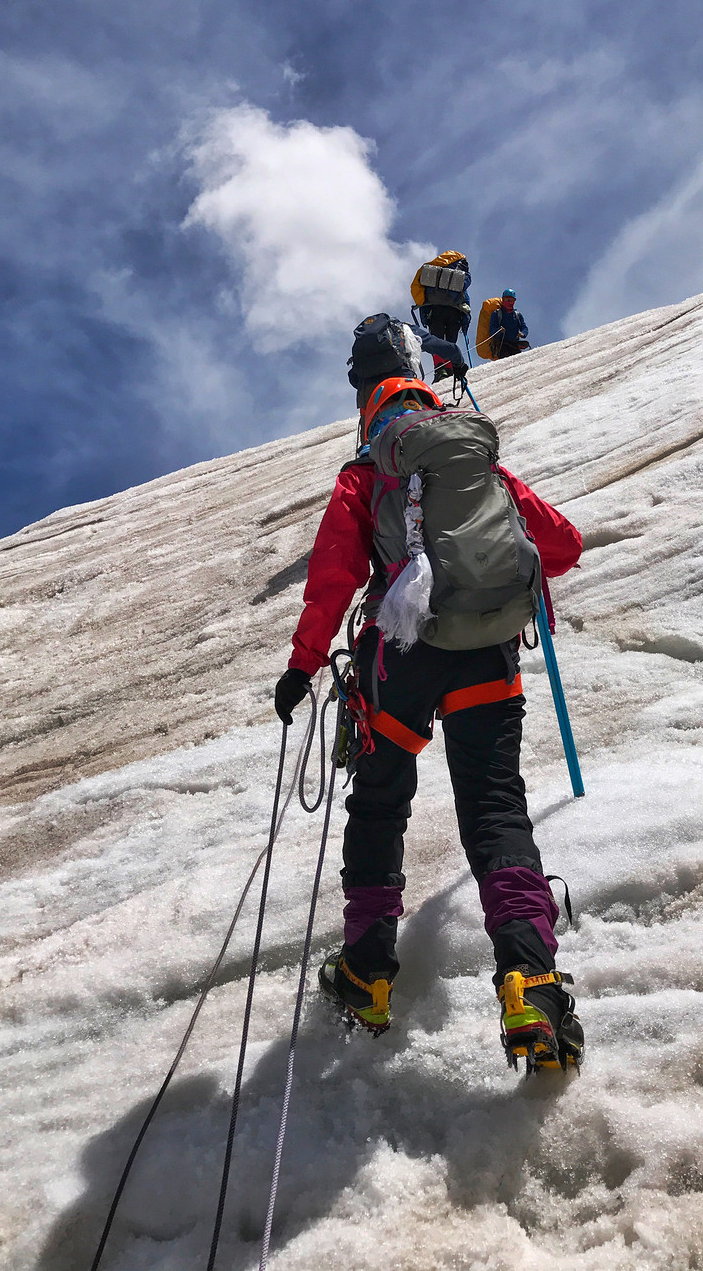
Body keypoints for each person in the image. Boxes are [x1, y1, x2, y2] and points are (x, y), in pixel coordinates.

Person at [273, 315, 585, 1072]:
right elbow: (563, 546)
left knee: (379, 804)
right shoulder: (474, 460)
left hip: (401, 658)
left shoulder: (365, 471)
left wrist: (303, 665)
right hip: (483, 656)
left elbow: (334, 580)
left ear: (368, 406)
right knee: (495, 810)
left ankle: (367, 977)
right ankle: (531, 984)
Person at [410, 250, 472, 381]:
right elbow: (465, 300)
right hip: (454, 314)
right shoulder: (458, 282)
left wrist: (425, 319)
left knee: (436, 343)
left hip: (436, 312)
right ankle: (449, 370)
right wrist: (465, 325)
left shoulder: (435, 280)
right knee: (450, 343)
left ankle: (440, 371)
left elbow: (425, 300)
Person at [489, 289, 529, 358]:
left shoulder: (518, 315)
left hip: (515, 346)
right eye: (507, 300)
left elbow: (524, 327)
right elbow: (491, 330)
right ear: (503, 300)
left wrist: (522, 334)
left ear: (514, 301)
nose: (509, 302)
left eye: (511, 300)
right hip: (502, 346)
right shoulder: (497, 313)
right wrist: (499, 330)